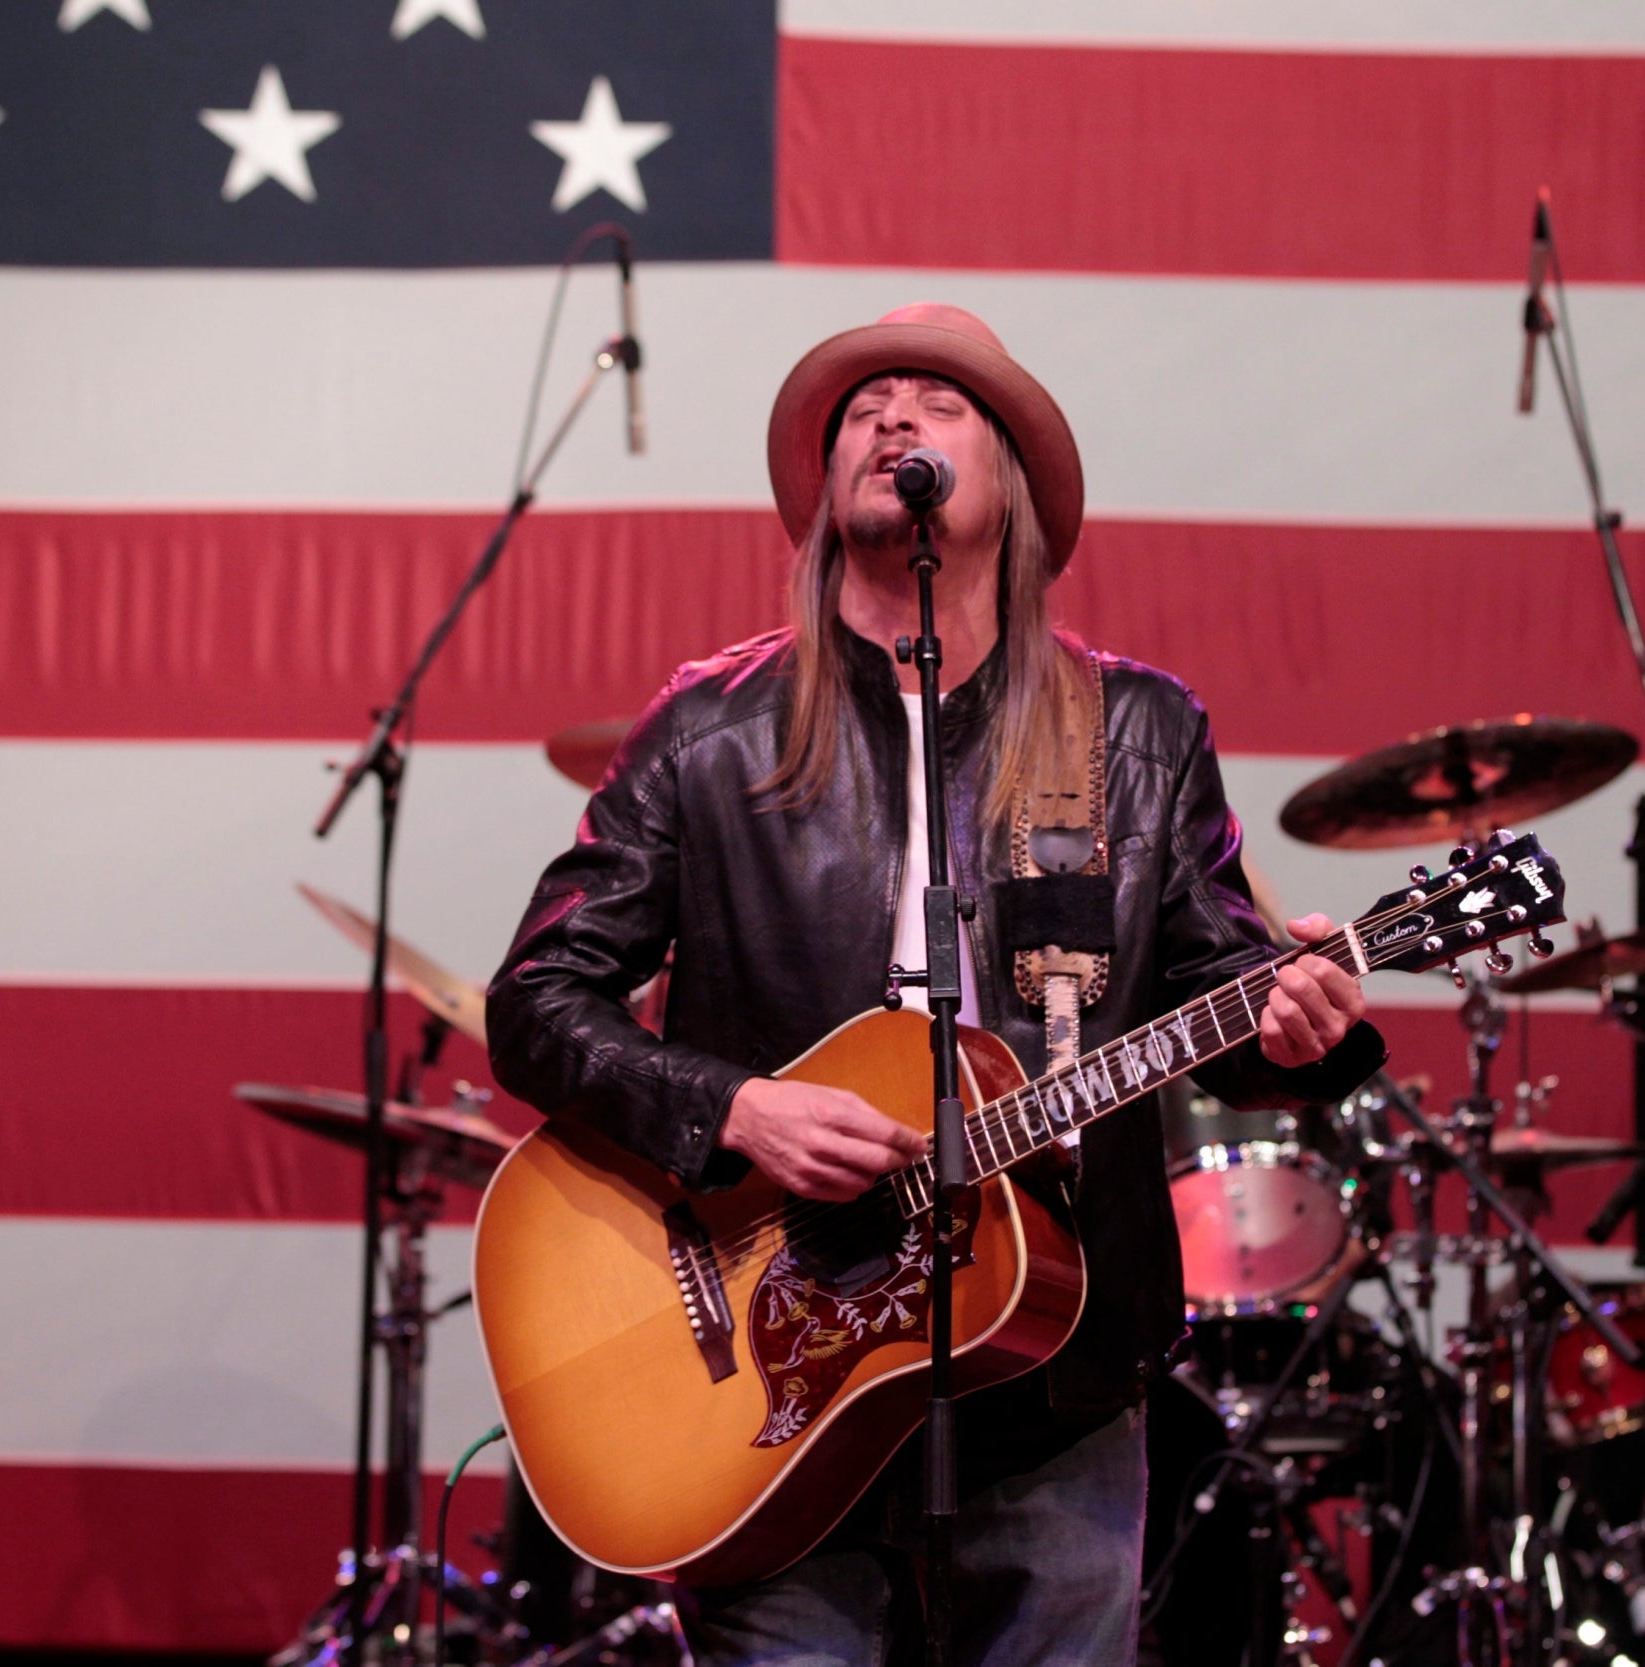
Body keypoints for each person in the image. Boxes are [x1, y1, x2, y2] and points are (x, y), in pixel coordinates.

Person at [485, 304, 1385, 1665]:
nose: (891, 418)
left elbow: (1223, 989)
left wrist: (1300, 1022)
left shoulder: (1133, 734)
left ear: (1008, 480)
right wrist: (735, 1112)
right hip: (772, 1398)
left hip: (1052, 1383)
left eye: (937, 401)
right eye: (865, 405)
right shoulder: (709, 730)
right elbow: (539, 999)